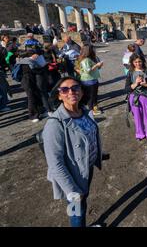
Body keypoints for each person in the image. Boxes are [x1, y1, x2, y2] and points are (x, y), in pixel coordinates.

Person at [43, 76, 102, 227]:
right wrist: (72, 190)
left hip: (85, 170)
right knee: (76, 210)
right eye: (64, 89)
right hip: (70, 176)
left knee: (83, 203)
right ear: (59, 95)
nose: (71, 92)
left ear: (82, 92)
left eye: (75, 88)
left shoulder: (84, 111)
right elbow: (55, 163)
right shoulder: (55, 124)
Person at [125, 53, 147, 142]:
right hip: (134, 97)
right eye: (135, 62)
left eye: (139, 61)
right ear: (132, 62)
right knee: (137, 117)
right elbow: (127, 88)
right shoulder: (130, 72)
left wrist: (146, 84)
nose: (138, 64)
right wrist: (136, 83)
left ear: (143, 61)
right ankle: (140, 134)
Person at [18, 49, 51, 122]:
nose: (37, 56)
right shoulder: (27, 62)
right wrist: (44, 66)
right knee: (31, 98)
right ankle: (32, 115)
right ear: (32, 55)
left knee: (36, 96)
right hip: (27, 81)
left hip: (30, 81)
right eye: (36, 54)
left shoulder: (29, 61)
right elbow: (35, 71)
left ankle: (40, 111)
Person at [78, 45, 103, 116]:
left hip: (93, 79)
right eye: (93, 49)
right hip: (88, 81)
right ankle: (91, 111)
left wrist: (99, 66)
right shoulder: (85, 60)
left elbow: (95, 69)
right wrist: (97, 65)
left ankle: (95, 107)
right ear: (89, 51)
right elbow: (87, 70)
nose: (95, 50)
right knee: (90, 97)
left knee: (94, 95)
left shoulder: (91, 58)